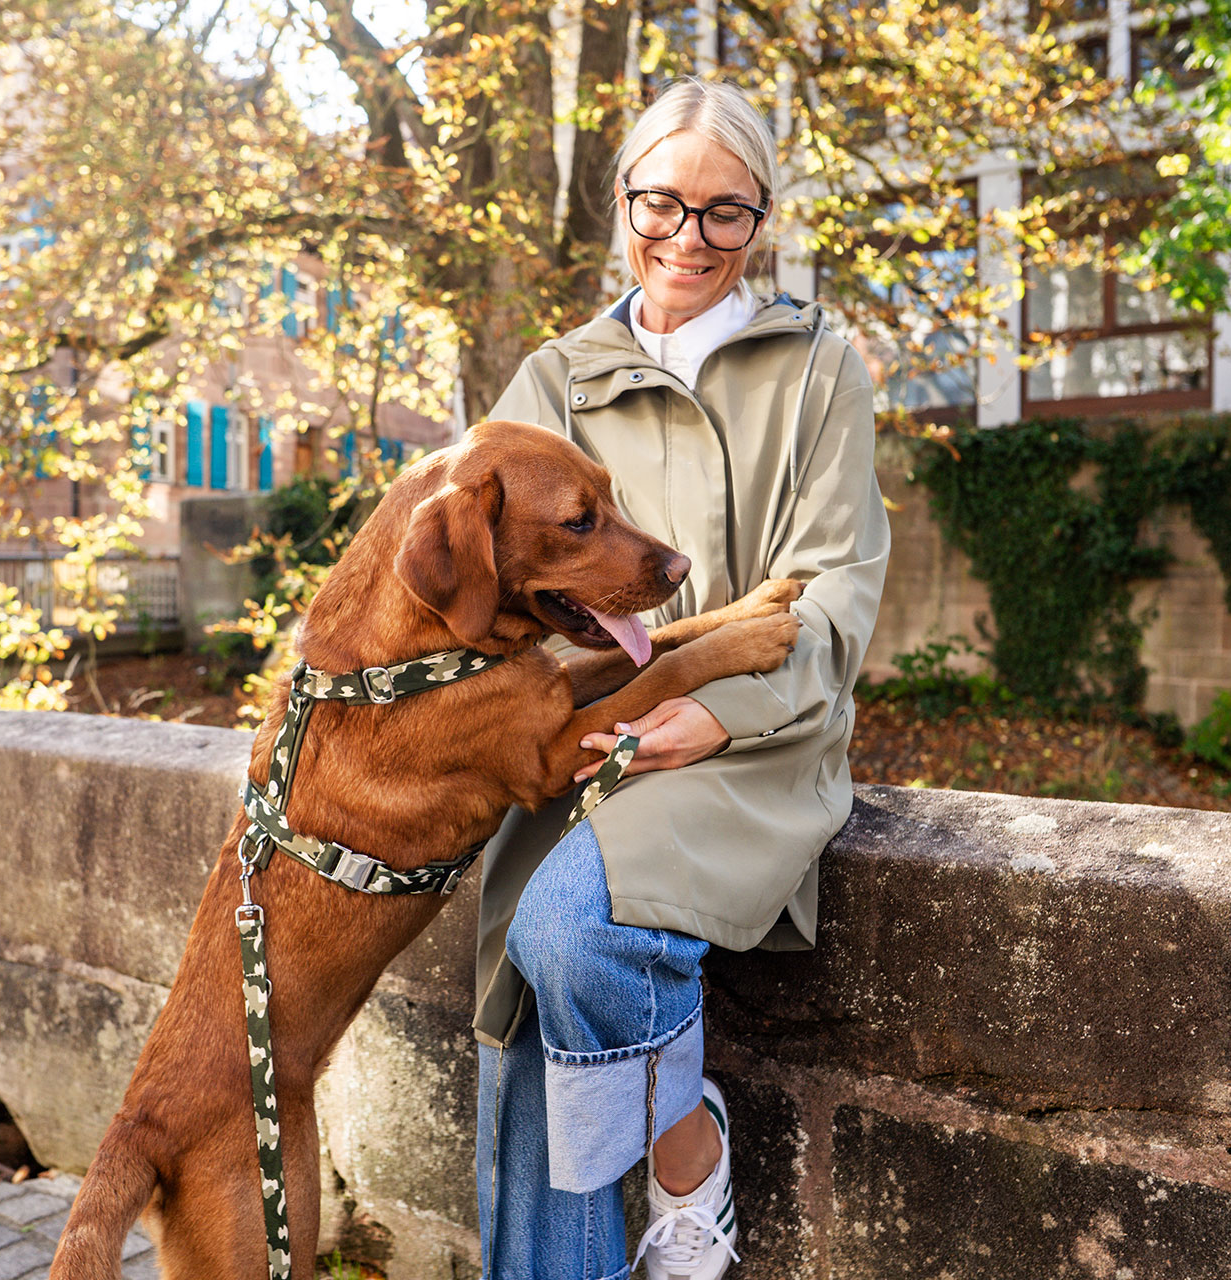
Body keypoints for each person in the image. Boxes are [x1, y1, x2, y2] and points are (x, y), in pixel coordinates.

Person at [472, 77, 890, 1280]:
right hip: (588, 732)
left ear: (762, 218)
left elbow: (835, 590)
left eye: (725, 213)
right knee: (534, 997)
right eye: (663, 203)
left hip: (759, 738)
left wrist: (711, 707)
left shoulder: (818, 363)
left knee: (569, 928)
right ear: (623, 200)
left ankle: (688, 1154)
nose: (688, 239)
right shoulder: (556, 377)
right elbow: (489, 590)